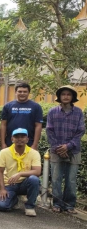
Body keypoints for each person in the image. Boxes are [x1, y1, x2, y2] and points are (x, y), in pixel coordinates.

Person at [46, 85, 85, 214]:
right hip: (56, 151)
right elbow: (49, 131)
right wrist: (59, 148)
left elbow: (80, 131)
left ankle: (69, 205)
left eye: (69, 94)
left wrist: (68, 146)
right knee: (56, 179)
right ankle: (57, 203)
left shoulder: (79, 112)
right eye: (63, 94)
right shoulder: (52, 112)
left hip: (74, 150)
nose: (66, 96)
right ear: (59, 97)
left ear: (73, 97)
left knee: (71, 180)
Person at [0, 128, 42, 217]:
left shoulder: (34, 153)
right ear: (12, 139)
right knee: (2, 206)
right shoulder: (4, 152)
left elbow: (37, 171)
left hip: (25, 182)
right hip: (10, 183)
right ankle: (14, 200)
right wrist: (2, 189)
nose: (20, 139)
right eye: (16, 137)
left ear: (27, 139)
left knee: (34, 179)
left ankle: (29, 206)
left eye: (22, 136)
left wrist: (20, 174)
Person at [0, 82, 43, 150]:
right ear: (15, 92)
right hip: (10, 143)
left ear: (29, 93)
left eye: (25, 92)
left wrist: (35, 144)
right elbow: (3, 125)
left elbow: (38, 126)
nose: (22, 93)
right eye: (20, 91)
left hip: (29, 143)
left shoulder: (36, 107)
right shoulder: (7, 106)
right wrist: (3, 143)